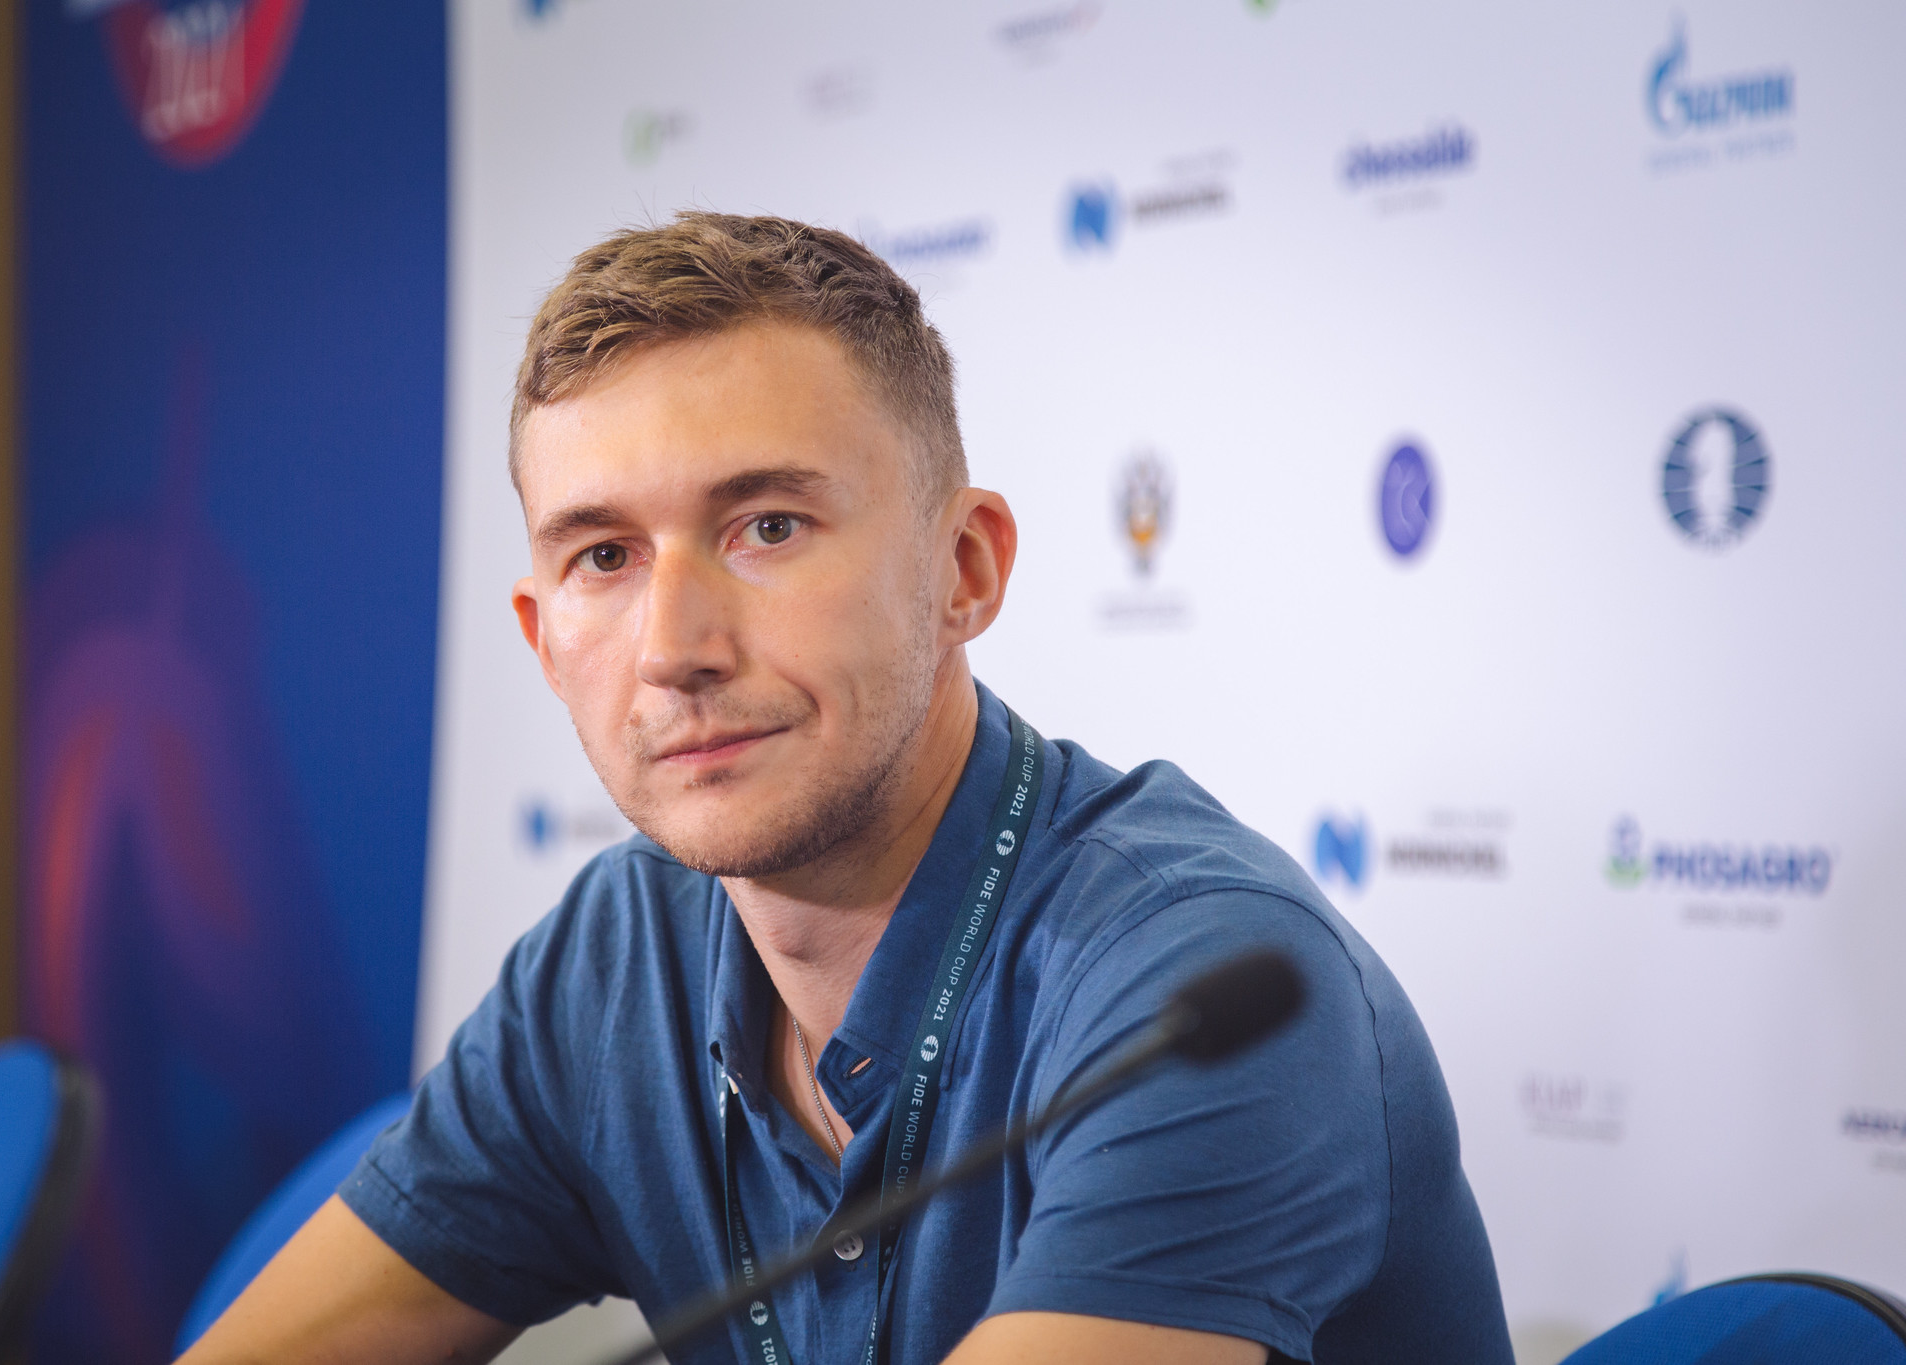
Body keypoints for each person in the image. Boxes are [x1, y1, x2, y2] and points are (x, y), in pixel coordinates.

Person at [177, 213, 1513, 1365]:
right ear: (540, 638)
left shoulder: (1198, 983)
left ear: (964, 570)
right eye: (604, 556)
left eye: (768, 526)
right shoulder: (615, 960)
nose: (674, 648)